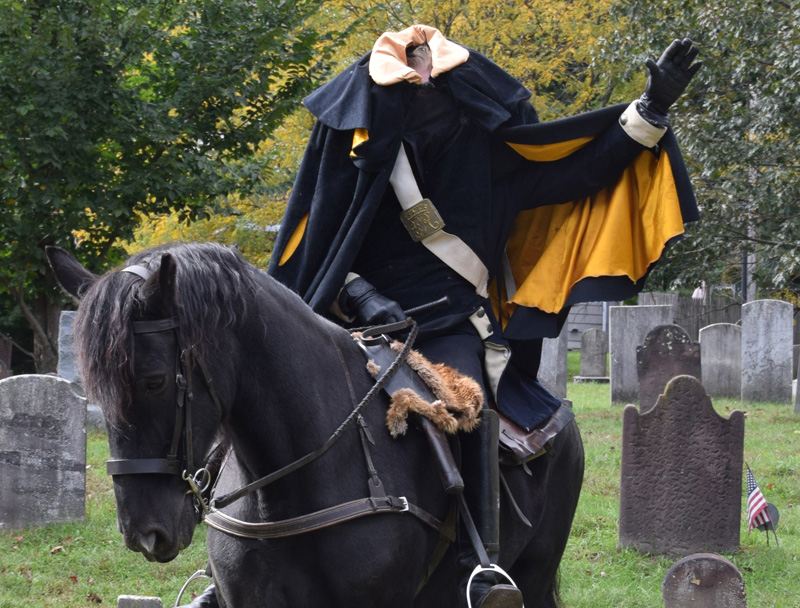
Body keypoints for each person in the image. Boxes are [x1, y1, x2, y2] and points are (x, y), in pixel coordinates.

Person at [186, 24, 701, 608]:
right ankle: (223, 571)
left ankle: (477, 565)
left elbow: (578, 172)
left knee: (469, 411)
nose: (422, 86)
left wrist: (650, 109)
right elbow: (317, 251)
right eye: (410, 78)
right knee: (266, 398)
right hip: (346, 327)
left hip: (449, 328)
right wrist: (359, 294)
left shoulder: (490, 158)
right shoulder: (358, 156)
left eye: (431, 76)